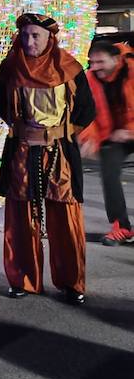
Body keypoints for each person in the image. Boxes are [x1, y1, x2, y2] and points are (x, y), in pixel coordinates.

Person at [0, 12, 95, 304]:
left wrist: (59, 133)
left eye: (35, 35)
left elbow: (86, 111)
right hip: (24, 150)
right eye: (25, 35)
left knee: (66, 218)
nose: (29, 41)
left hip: (60, 153)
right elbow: (4, 106)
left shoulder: (69, 68)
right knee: (21, 217)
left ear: (49, 38)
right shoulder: (12, 67)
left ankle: (71, 282)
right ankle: (24, 279)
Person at [81, 39, 134, 245]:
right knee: (109, 173)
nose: (95, 67)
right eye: (92, 62)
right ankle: (122, 226)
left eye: (100, 62)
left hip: (128, 131)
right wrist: (89, 138)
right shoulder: (90, 78)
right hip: (113, 136)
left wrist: (129, 132)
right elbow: (87, 115)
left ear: (115, 59)